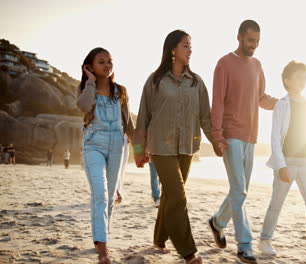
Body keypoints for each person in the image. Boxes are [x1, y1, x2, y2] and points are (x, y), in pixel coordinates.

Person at [133, 29, 213, 264]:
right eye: (185, 45)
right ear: (172, 49)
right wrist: (138, 151)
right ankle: (188, 251)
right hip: (160, 146)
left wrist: (216, 142)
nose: (190, 50)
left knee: (169, 195)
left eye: (191, 45)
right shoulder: (155, 81)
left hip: (187, 146)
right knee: (178, 196)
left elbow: (205, 117)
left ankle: (159, 239)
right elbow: (143, 119)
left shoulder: (196, 82)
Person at [207, 20, 278, 264]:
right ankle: (244, 246)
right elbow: (217, 102)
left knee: (240, 191)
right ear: (239, 37)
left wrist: (282, 104)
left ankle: (217, 222)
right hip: (230, 135)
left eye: (257, 41)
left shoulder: (257, 65)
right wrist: (216, 136)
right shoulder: (224, 64)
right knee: (240, 190)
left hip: (251, 135)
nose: (254, 46)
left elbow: (260, 97)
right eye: (250, 41)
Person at [258, 61, 306, 264]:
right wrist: (281, 165)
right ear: (287, 80)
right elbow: (275, 137)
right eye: (299, 77)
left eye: (305, 77)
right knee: (276, 204)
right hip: (287, 163)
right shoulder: (282, 105)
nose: (303, 81)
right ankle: (265, 240)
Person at [76, 47, 135, 264]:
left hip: (117, 145)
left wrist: (139, 152)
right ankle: (102, 249)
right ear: (90, 67)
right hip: (93, 144)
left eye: (110, 61)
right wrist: (90, 80)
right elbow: (83, 106)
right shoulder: (85, 88)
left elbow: (129, 125)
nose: (108, 65)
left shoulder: (121, 91)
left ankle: (102, 238)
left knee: (109, 197)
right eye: (102, 62)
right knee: (100, 193)